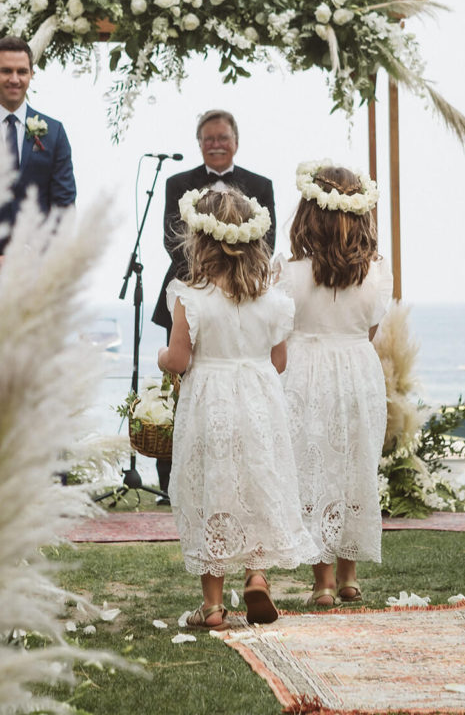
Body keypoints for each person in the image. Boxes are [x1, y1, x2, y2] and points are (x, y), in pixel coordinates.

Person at [157, 187, 318, 631]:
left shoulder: (191, 297)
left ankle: (211, 605)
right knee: (257, 485)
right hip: (259, 403)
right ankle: (257, 576)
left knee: (214, 492)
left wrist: (161, 359)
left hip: (211, 404)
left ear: (200, 241)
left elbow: (180, 359)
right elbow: (279, 361)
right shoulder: (271, 299)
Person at [276, 161, 392, 608]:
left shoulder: (290, 270)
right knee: (354, 466)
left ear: (310, 212)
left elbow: (280, 329)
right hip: (358, 372)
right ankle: (349, 577)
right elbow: (369, 332)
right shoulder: (375, 272)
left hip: (305, 371)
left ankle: (322, 581)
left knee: (314, 467)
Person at [151, 109, 276, 499]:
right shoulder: (178, 183)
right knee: (180, 387)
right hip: (189, 294)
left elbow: (266, 244)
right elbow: (174, 241)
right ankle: (174, 480)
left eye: (223, 137)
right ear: (199, 143)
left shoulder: (260, 184)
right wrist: (204, 284)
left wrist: (231, 282)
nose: (216, 144)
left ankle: (240, 478)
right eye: (209, 138)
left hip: (242, 296)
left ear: (236, 141)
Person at [0, 35, 76, 317]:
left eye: (22, 71)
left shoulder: (53, 132)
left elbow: (63, 207)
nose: (14, 79)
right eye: (7, 70)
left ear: (32, 74)